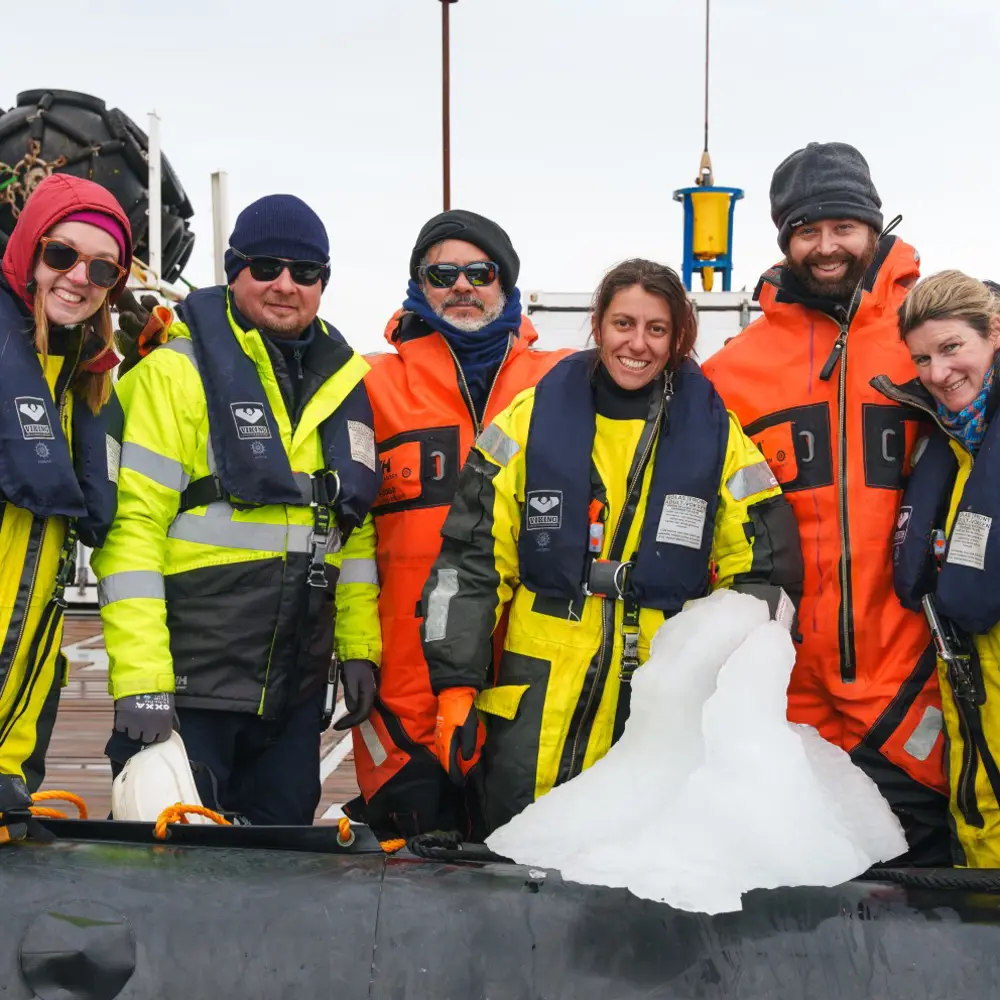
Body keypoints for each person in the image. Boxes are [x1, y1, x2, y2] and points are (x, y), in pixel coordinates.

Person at [420, 258, 804, 836]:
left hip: (660, 693)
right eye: (624, 323)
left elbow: (765, 569)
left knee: (640, 854)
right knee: (520, 845)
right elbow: (470, 559)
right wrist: (455, 685)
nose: (638, 344)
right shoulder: (527, 421)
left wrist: (725, 685)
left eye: (657, 329)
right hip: (537, 696)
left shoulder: (717, 434)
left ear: (678, 338)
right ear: (597, 326)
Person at [92, 195, 381, 825]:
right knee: (170, 884)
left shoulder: (342, 386)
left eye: (306, 272)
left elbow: (352, 538)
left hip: (292, 701)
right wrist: (142, 680)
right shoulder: (173, 375)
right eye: (267, 267)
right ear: (232, 270)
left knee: (275, 892)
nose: (286, 285)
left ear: (323, 284)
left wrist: (360, 649)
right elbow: (130, 534)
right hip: (189, 695)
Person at [701, 141, 950, 863]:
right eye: (806, 231)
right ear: (785, 242)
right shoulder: (731, 372)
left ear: (874, 225)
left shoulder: (932, 343)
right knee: (796, 915)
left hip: (914, 694)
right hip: (790, 704)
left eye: (842, 225)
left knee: (935, 908)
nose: (826, 246)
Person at [352, 210, 571, 838]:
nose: (462, 286)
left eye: (481, 272)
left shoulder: (562, 381)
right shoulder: (366, 384)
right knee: (406, 887)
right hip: (402, 693)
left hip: (528, 691)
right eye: (442, 273)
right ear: (419, 286)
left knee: (527, 879)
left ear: (506, 285)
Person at [0, 174, 130, 833]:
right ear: (28, 249)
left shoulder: (84, 388)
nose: (79, 277)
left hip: (14, 752)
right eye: (61, 255)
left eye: (101, 267)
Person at [875, 270, 1000, 866]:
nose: (938, 373)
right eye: (922, 358)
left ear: (993, 331)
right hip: (974, 716)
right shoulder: (953, 445)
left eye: (953, 348)